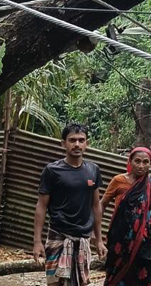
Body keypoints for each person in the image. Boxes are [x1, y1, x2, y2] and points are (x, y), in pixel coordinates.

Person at [33, 123, 106, 286]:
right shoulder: (52, 171)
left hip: (83, 238)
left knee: (80, 282)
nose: (77, 144)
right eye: (72, 140)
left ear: (87, 143)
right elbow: (41, 206)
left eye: (81, 140)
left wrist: (99, 239)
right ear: (63, 143)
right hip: (58, 235)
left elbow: (96, 205)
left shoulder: (93, 170)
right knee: (54, 282)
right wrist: (37, 242)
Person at [100, 147, 151, 286]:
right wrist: (96, 231)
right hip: (121, 239)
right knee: (118, 272)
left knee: (147, 273)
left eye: (145, 162)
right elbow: (102, 204)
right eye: (137, 161)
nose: (141, 166)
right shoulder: (118, 181)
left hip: (147, 240)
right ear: (130, 161)